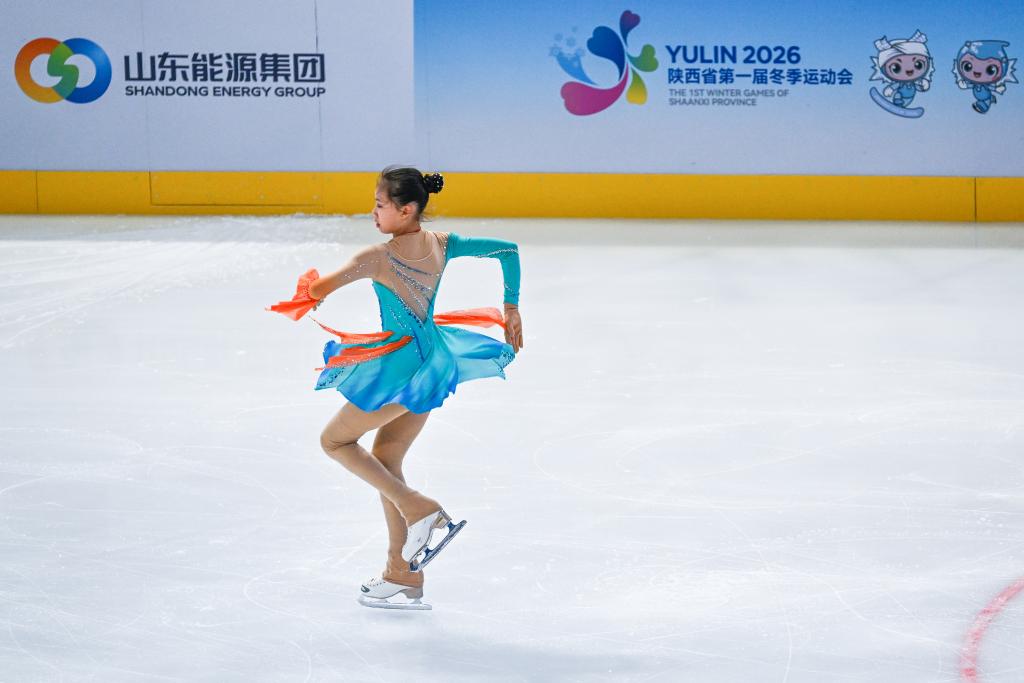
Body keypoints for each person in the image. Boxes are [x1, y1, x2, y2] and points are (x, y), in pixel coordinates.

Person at [267, 166, 523, 609]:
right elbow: (507, 249)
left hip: (401, 370)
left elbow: (317, 291)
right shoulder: (444, 244)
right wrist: (511, 307)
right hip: (433, 365)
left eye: (380, 205)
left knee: (334, 441)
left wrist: (309, 289)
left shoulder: (378, 257)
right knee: (386, 460)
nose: (373, 213)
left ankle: (419, 507)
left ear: (406, 210)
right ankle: (402, 574)